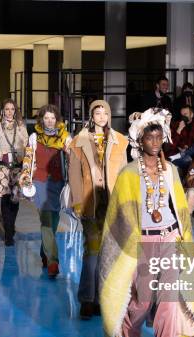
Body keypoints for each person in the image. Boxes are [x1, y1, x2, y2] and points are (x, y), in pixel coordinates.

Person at [97, 108, 194, 337]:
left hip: (170, 242)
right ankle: (130, 331)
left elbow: (180, 211)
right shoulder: (128, 174)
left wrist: (183, 240)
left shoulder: (172, 172)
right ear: (140, 140)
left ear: (164, 138)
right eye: (149, 135)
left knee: (169, 306)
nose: (154, 139)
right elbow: (119, 216)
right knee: (140, 302)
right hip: (141, 245)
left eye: (158, 134)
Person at [68, 99, 128, 319]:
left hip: (112, 204)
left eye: (105, 113)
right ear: (91, 116)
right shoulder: (79, 141)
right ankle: (87, 300)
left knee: (109, 254)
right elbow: (74, 174)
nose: (101, 117)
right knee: (92, 253)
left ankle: (103, 298)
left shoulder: (120, 141)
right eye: (97, 113)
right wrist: (77, 202)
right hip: (89, 203)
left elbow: (123, 173)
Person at [20, 104, 71, 277]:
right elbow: (27, 159)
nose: (49, 121)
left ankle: (44, 253)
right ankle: (53, 262)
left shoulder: (64, 137)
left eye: (53, 118)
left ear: (57, 120)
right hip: (40, 182)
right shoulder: (34, 137)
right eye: (46, 118)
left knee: (53, 222)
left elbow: (72, 158)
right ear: (41, 119)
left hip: (58, 184)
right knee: (47, 221)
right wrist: (26, 179)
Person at [0, 98, 29, 246]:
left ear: (15, 111)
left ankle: (10, 227)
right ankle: (8, 233)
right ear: (3, 110)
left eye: (12, 109)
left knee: (15, 199)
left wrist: (28, 168)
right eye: (7, 109)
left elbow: (28, 147)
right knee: (5, 199)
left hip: (17, 167)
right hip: (2, 167)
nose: (10, 112)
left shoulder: (21, 126)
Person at [166, 105, 194, 171]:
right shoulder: (176, 124)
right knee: (187, 159)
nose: (183, 116)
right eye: (182, 114)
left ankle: (179, 156)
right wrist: (179, 129)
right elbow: (172, 144)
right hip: (177, 151)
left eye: (185, 114)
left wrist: (188, 147)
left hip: (190, 151)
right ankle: (176, 159)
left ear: (191, 115)